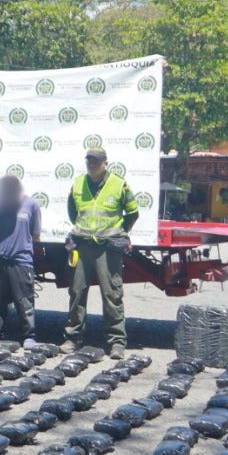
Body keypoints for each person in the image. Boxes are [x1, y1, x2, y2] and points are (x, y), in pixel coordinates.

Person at [64, 148, 139, 358]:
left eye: (96, 161)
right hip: (83, 245)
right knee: (77, 292)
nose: (92, 164)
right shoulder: (78, 183)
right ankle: (72, 339)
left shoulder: (118, 183)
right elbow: (72, 210)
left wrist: (119, 232)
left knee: (111, 294)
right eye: (89, 160)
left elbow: (133, 212)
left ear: (105, 163)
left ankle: (116, 343)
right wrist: (82, 229)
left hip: (108, 248)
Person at [0, 174, 41, 347]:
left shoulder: (31, 204)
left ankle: (28, 336)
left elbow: (35, 234)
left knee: (24, 300)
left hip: (21, 260)